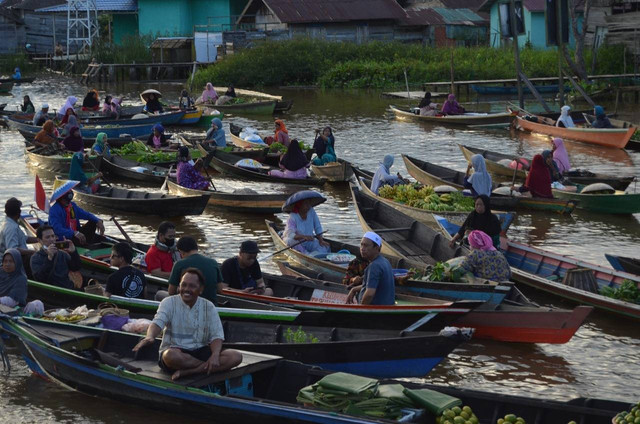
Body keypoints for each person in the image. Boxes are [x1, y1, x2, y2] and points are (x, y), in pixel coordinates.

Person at [132, 268, 243, 381]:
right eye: (183, 285)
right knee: (169, 356)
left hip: (201, 350)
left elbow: (217, 335)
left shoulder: (208, 306)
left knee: (235, 356)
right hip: (176, 352)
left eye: (192, 286)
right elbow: (157, 322)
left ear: (201, 289)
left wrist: (215, 355)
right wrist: (150, 336)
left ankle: (190, 372)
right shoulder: (168, 302)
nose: (186, 289)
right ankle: (207, 367)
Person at [166, 237, 222, 304]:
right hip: (211, 305)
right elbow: (220, 290)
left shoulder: (179, 264)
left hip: (188, 305)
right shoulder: (213, 263)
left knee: (159, 294)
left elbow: (171, 292)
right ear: (196, 248)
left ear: (181, 252)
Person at [346, 232, 395, 306]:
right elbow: (370, 286)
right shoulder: (385, 261)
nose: (362, 249)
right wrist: (354, 289)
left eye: (366, 246)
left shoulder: (374, 266)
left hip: (377, 310)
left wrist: (361, 310)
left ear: (376, 248)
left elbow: (369, 293)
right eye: (361, 245)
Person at [30, 225, 80, 290]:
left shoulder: (62, 254)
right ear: (39, 240)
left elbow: (75, 268)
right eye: (47, 237)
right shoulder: (35, 258)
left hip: (68, 288)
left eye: (53, 236)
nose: (51, 239)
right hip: (52, 292)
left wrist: (73, 252)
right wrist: (49, 258)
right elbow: (40, 278)